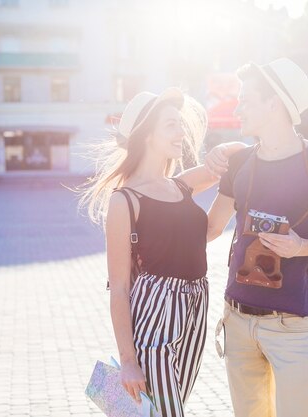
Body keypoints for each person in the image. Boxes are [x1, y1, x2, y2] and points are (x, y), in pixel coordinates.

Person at [206, 58, 308, 417]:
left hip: (292, 326)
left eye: (246, 99)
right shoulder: (239, 162)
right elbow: (210, 228)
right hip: (236, 318)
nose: (237, 108)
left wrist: (302, 246)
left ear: (274, 103)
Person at [79, 87, 243, 417]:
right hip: (156, 309)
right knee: (167, 413)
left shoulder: (181, 185)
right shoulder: (124, 201)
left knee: (164, 410)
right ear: (147, 135)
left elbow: (210, 225)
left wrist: (222, 152)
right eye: (171, 125)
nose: (182, 132)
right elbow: (120, 288)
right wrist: (127, 362)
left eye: (181, 124)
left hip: (196, 306)